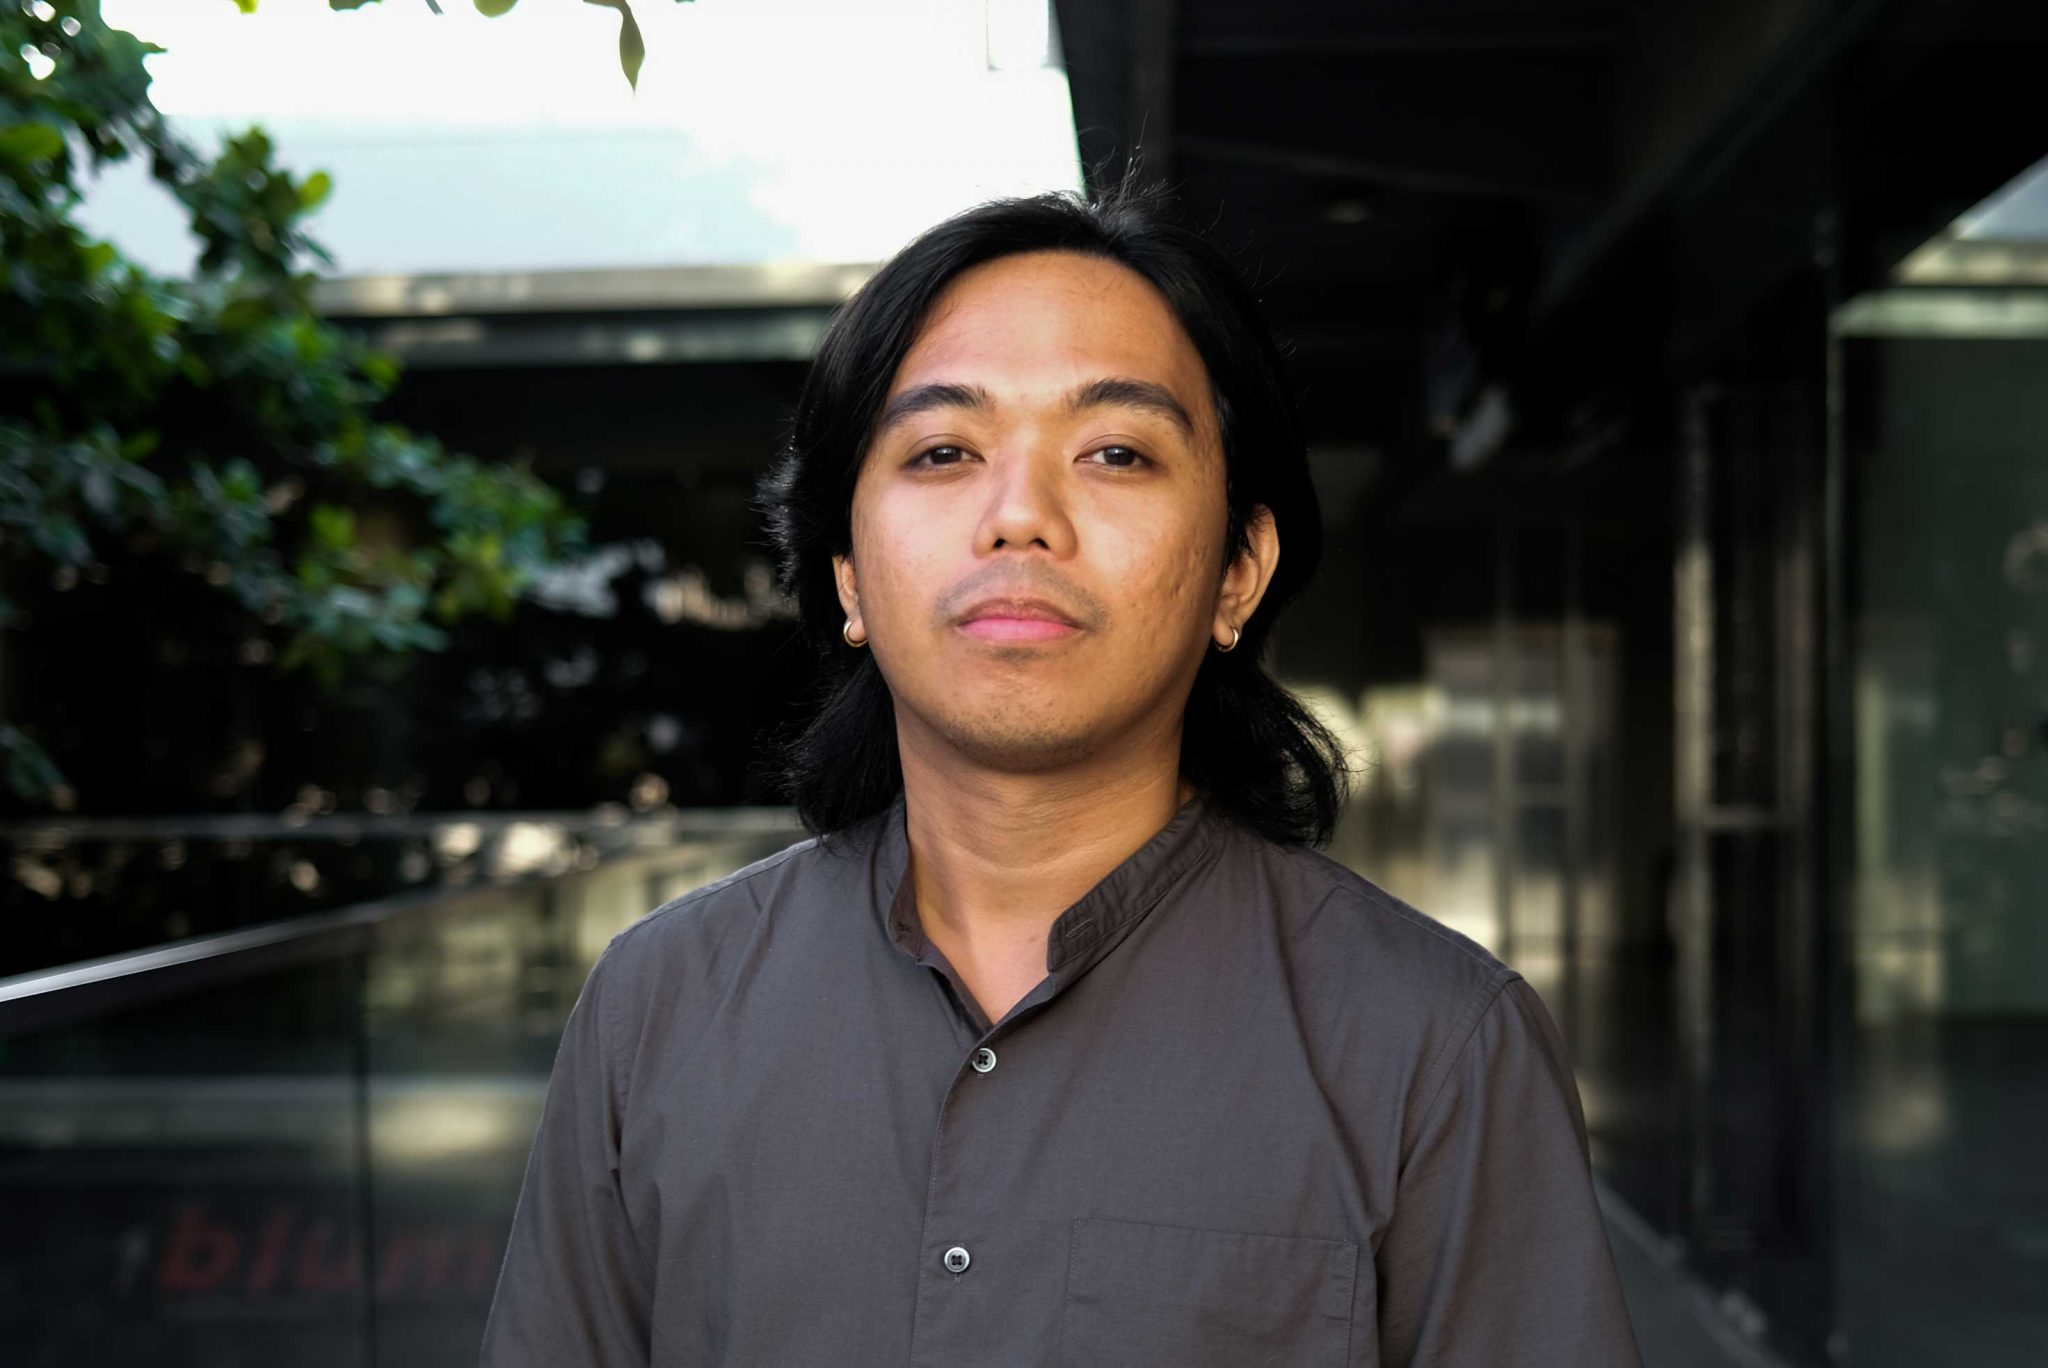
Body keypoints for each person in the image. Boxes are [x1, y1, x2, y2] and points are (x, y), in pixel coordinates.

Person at [480, 186, 1643, 1367]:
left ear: (1237, 569)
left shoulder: (1436, 1045)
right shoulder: (656, 1007)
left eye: (1115, 453)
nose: (1019, 517)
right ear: (845, 574)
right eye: (943, 451)